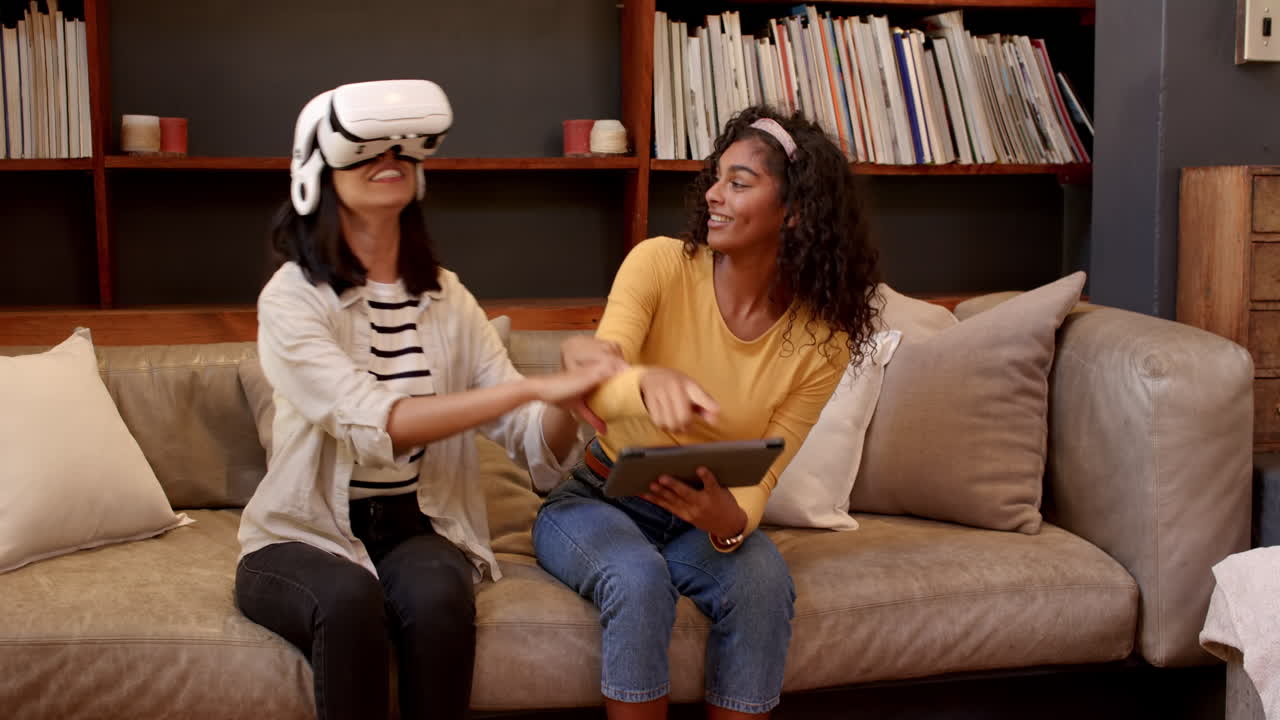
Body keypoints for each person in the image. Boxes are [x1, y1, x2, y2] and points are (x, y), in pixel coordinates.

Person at [234, 80, 617, 720]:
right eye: (366, 149)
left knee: (440, 599)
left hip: (414, 524)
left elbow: (530, 438)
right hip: (302, 533)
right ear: (316, 174)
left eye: (403, 149)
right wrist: (533, 384)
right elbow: (377, 425)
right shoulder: (291, 298)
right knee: (348, 601)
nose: (389, 159)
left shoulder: (447, 297)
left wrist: (565, 397)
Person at [533, 105, 882, 719]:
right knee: (637, 580)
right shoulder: (659, 264)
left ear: (794, 211)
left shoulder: (823, 340)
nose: (714, 195)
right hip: (599, 498)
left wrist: (730, 522)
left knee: (763, 583)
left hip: (700, 515)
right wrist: (645, 383)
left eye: (739, 183)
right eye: (716, 178)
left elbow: (767, 471)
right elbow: (597, 378)